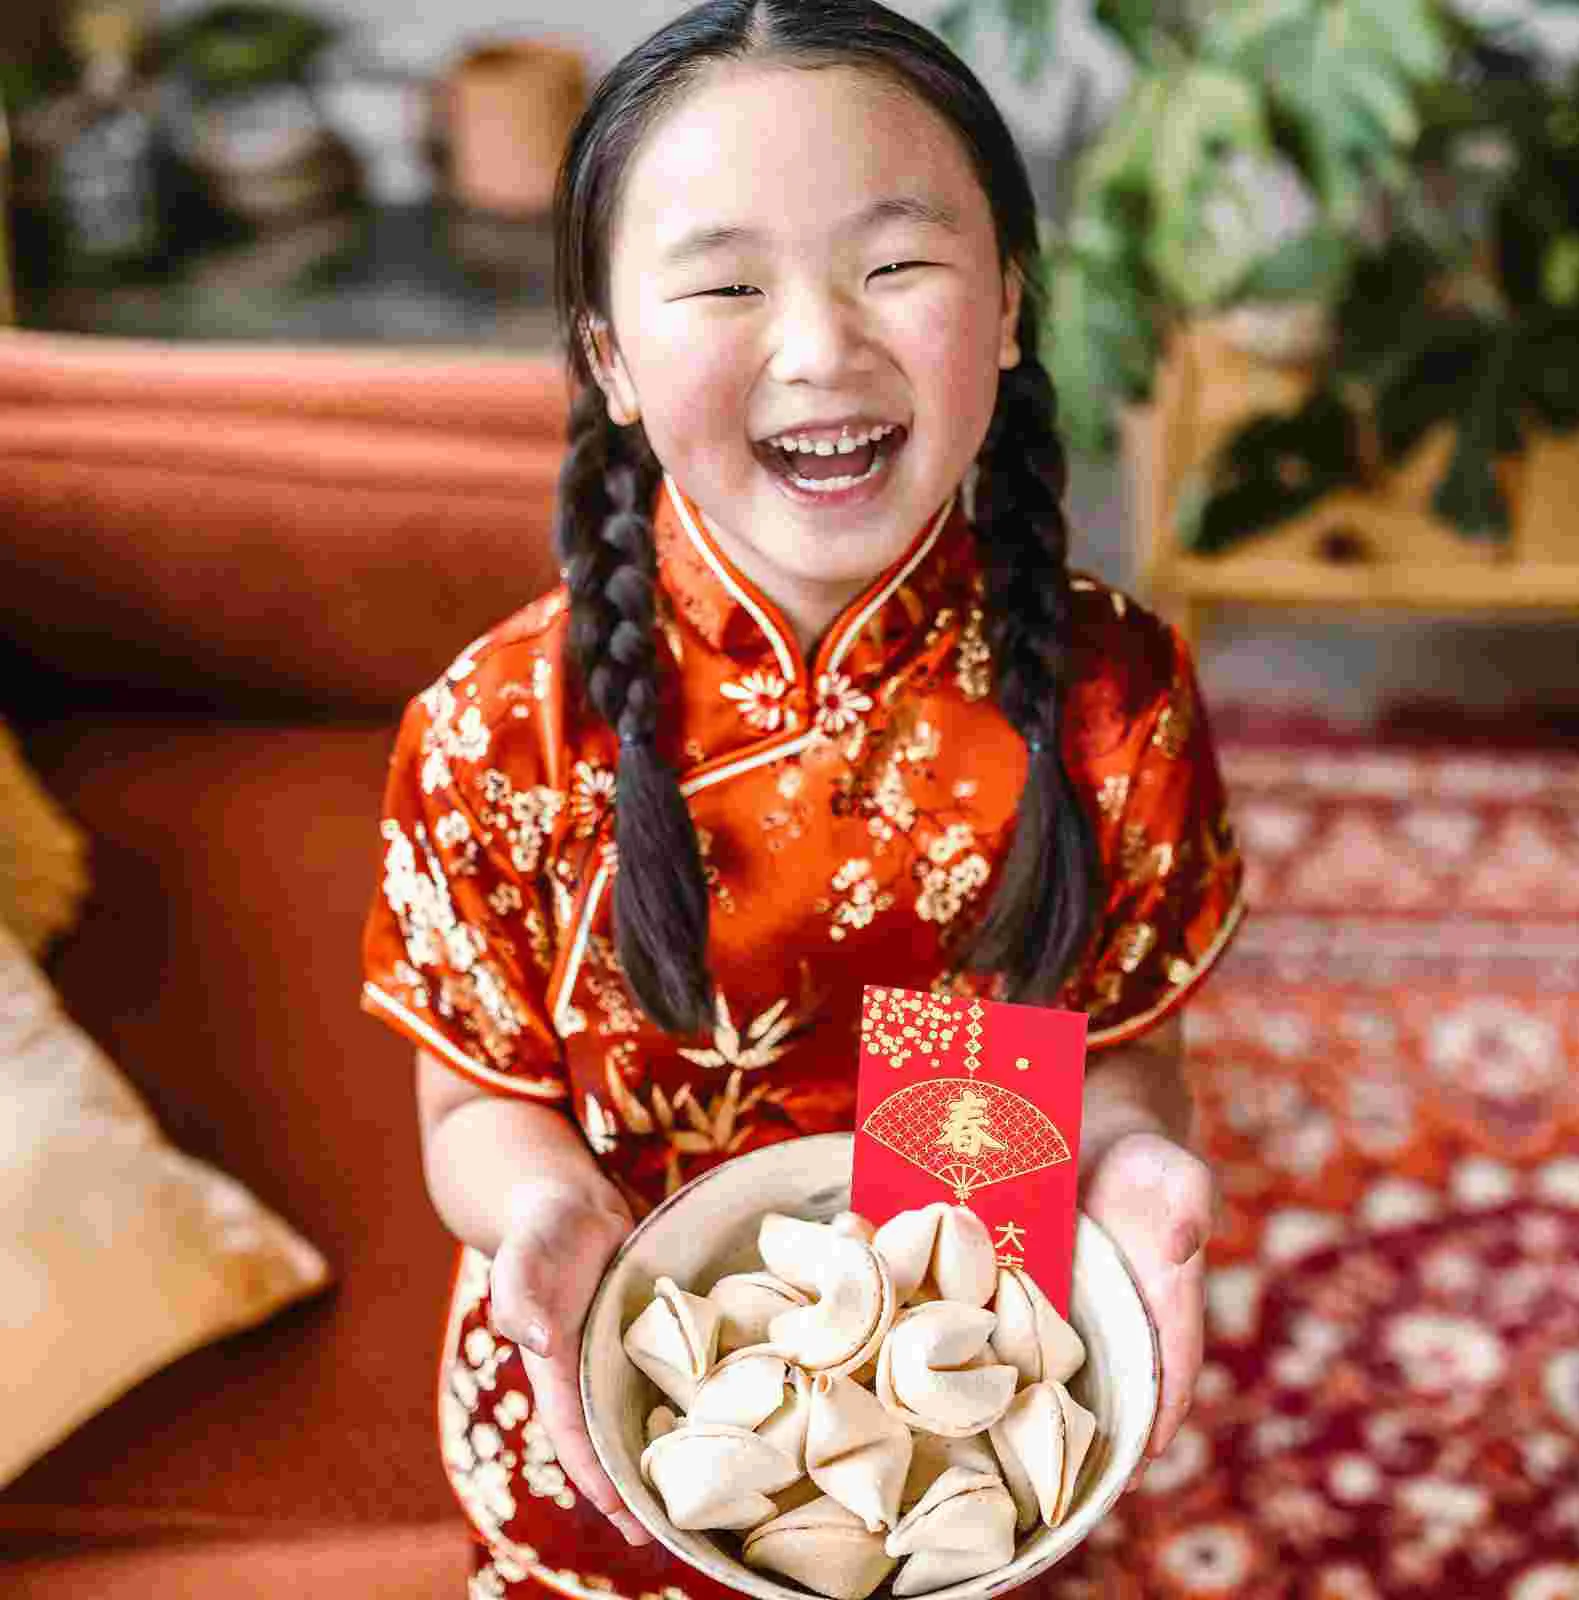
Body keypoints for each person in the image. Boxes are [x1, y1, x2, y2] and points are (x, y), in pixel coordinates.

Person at [359, 1, 1247, 1591]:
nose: (822, 346)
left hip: (971, 1388)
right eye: (725, 283)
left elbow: (1118, 1058)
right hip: (626, 1383)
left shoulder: (1115, 700)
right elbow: (471, 1099)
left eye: (896, 264)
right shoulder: (496, 731)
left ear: (1013, 305)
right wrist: (542, 1211)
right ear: (609, 356)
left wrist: (1132, 1167)